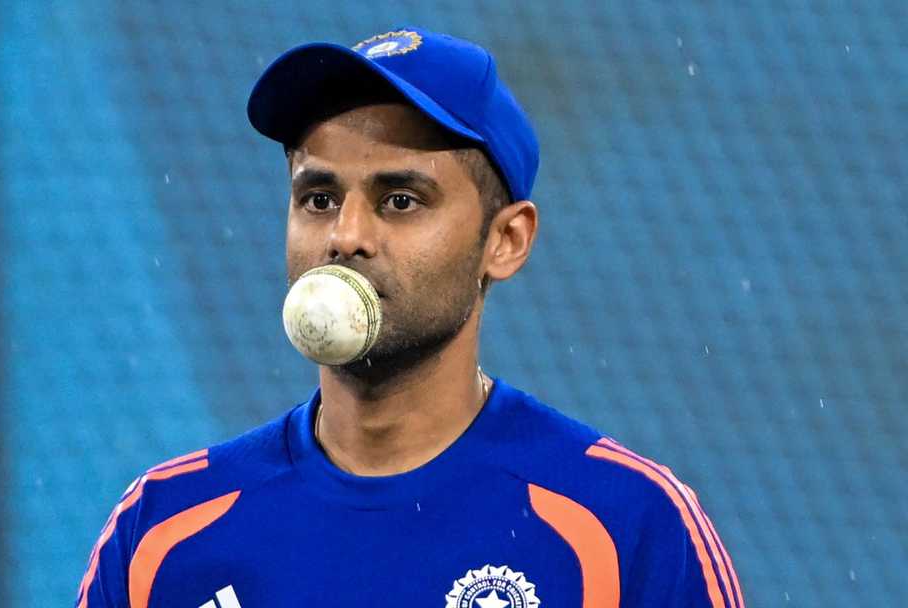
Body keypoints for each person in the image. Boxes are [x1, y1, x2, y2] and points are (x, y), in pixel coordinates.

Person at [76, 26, 745, 608]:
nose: (345, 236)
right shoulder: (164, 532)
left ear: (505, 240)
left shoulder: (625, 525)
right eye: (318, 198)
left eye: (400, 200)